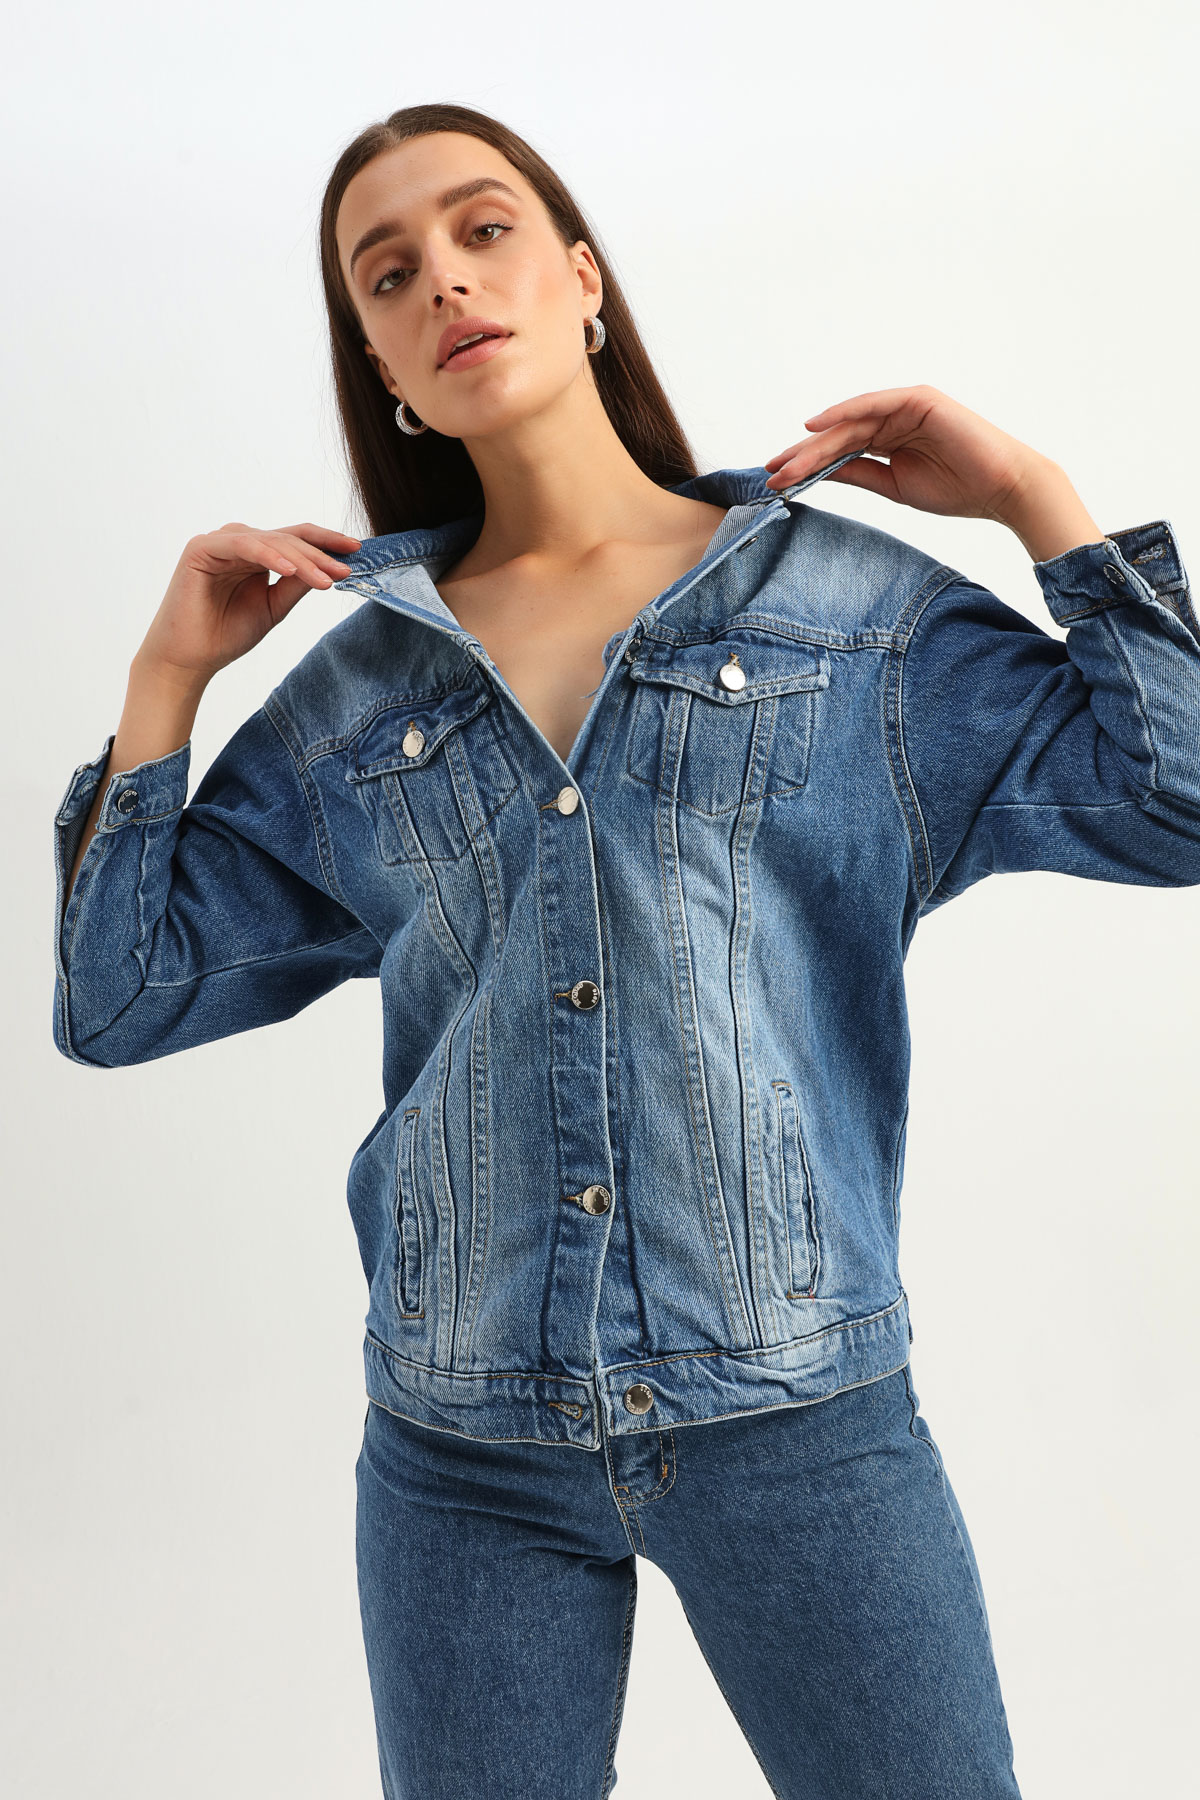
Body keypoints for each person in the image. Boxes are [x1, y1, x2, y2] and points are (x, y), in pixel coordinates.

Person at [51, 102, 1200, 1800]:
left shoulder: (849, 617)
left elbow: (1177, 800)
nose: (445, 281)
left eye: (483, 230)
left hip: (801, 1420)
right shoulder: (358, 695)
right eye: (388, 274)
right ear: (381, 364)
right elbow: (118, 998)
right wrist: (167, 681)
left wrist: (1040, 503)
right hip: (458, 1453)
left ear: (583, 278)